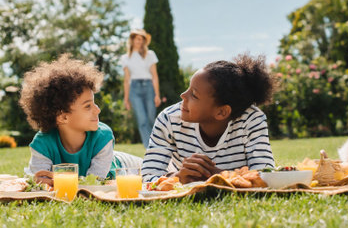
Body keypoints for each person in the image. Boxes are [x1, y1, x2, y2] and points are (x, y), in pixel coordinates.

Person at [142, 54, 276, 184]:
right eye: (188, 88)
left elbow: (266, 175)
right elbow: (147, 178)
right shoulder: (169, 119)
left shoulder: (251, 120)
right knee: (125, 168)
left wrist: (216, 175)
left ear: (222, 112)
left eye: (194, 95)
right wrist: (178, 177)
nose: (183, 95)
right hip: (169, 172)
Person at [19, 55, 142, 186]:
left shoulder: (103, 137)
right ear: (63, 117)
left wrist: (57, 182)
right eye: (88, 106)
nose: (97, 110)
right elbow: (36, 179)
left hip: (125, 165)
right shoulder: (43, 144)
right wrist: (40, 180)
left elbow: (93, 184)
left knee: (158, 172)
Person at [121, 29, 161, 149]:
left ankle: (157, 144)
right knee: (142, 121)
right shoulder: (125, 57)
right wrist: (126, 98)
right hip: (134, 89)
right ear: (132, 40)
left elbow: (154, 75)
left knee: (150, 118)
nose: (140, 41)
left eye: (142, 39)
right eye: (137, 38)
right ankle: (150, 149)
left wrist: (157, 94)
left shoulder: (150, 55)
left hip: (149, 87)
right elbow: (127, 79)